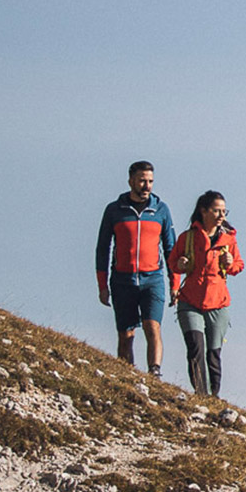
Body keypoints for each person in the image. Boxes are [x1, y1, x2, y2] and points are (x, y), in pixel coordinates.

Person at [95, 161, 179, 377]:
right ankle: (127, 375)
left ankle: (154, 373)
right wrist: (102, 286)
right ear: (130, 180)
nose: (146, 186)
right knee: (126, 334)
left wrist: (175, 283)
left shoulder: (161, 210)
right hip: (122, 280)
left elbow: (172, 248)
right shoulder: (115, 210)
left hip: (153, 279)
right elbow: (102, 248)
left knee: (153, 327)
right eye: (142, 180)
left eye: (150, 181)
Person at [170, 191, 242, 396]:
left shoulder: (229, 240)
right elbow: (172, 263)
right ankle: (200, 392)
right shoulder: (187, 238)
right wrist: (179, 266)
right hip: (190, 301)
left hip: (218, 303)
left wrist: (231, 264)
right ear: (203, 211)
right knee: (195, 347)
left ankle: (214, 395)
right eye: (217, 210)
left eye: (223, 211)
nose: (221, 216)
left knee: (214, 352)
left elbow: (238, 265)